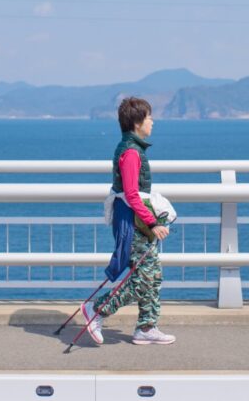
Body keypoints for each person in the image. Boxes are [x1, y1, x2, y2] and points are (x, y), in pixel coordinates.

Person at [81, 96, 175, 346]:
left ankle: (147, 326)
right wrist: (153, 223)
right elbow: (132, 194)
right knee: (142, 277)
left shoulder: (132, 148)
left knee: (153, 273)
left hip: (137, 218)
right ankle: (97, 310)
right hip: (133, 222)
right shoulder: (131, 153)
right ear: (137, 122)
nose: (153, 122)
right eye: (149, 117)